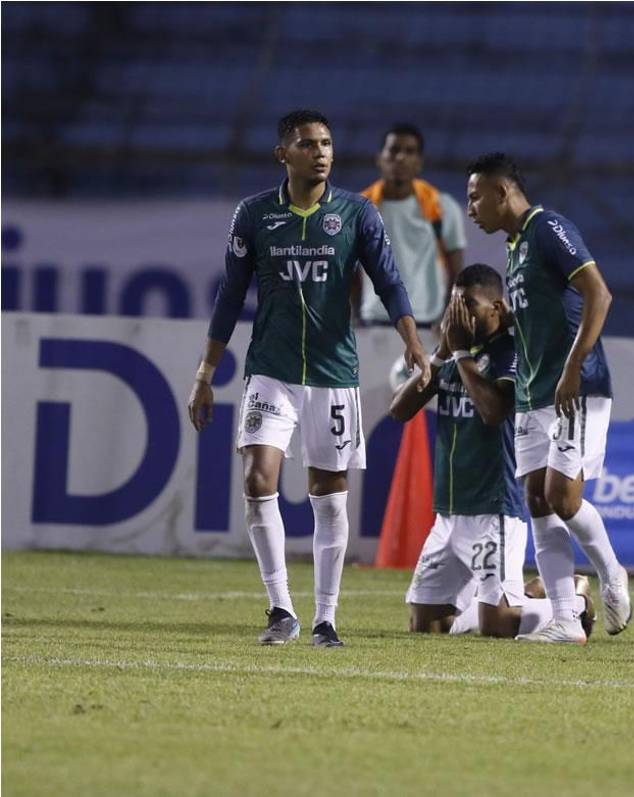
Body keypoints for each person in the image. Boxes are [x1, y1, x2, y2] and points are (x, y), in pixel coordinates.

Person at [188, 109, 431, 648]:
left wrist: (412, 340)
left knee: (329, 495)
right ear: (284, 154)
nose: (320, 152)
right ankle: (281, 610)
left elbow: (389, 281)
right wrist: (205, 373)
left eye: (326, 143)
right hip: (271, 370)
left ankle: (326, 618)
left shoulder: (356, 213)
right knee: (258, 480)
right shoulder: (254, 214)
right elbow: (230, 296)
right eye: (307, 144)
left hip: (333, 373)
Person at [465, 152, 631, 644]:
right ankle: (564, 619)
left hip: (573, 386)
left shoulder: (548, 229)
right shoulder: (515, 247)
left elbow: (599, 294)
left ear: (502, 192)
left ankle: (612, 573)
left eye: (475, 197)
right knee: (538, 501)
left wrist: (574, 366)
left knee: (562, 496)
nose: (471, 208)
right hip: (533, 391)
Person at [389, 264, 595, 639]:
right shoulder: (455, 356)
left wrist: (460, 353)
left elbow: (494, 410)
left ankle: (573, 603)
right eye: (454, 304)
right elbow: (399, 411)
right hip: (449, 510)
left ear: (496, 308)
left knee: (497, 625)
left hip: (493, 507)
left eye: (468, 304)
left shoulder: (512, 352)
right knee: (428, 625)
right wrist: (442, 354)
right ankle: (534, 592)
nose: (458, 314)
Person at [356, 123, 466, 327]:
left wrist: (447, 319)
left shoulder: (442, 207)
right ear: (379, 158)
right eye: (393, 150)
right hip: (374, 323)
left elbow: (457, 273)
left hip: (426, 324)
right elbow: (348, 269)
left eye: (409, 152)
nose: (400, 158)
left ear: (419, 163)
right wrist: (353, 317)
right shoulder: (359, 210)